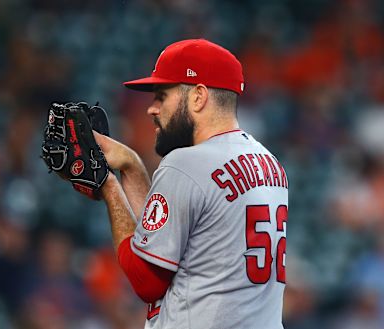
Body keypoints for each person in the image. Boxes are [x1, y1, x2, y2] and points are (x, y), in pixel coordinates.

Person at [94, 39, 289, 329]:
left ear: (198, 97)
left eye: (162, 96)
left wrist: (109, 187)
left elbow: (146, 281)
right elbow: (172, 232)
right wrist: (132, 166)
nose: (152, 108)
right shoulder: (270, 163)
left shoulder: (185, 163)